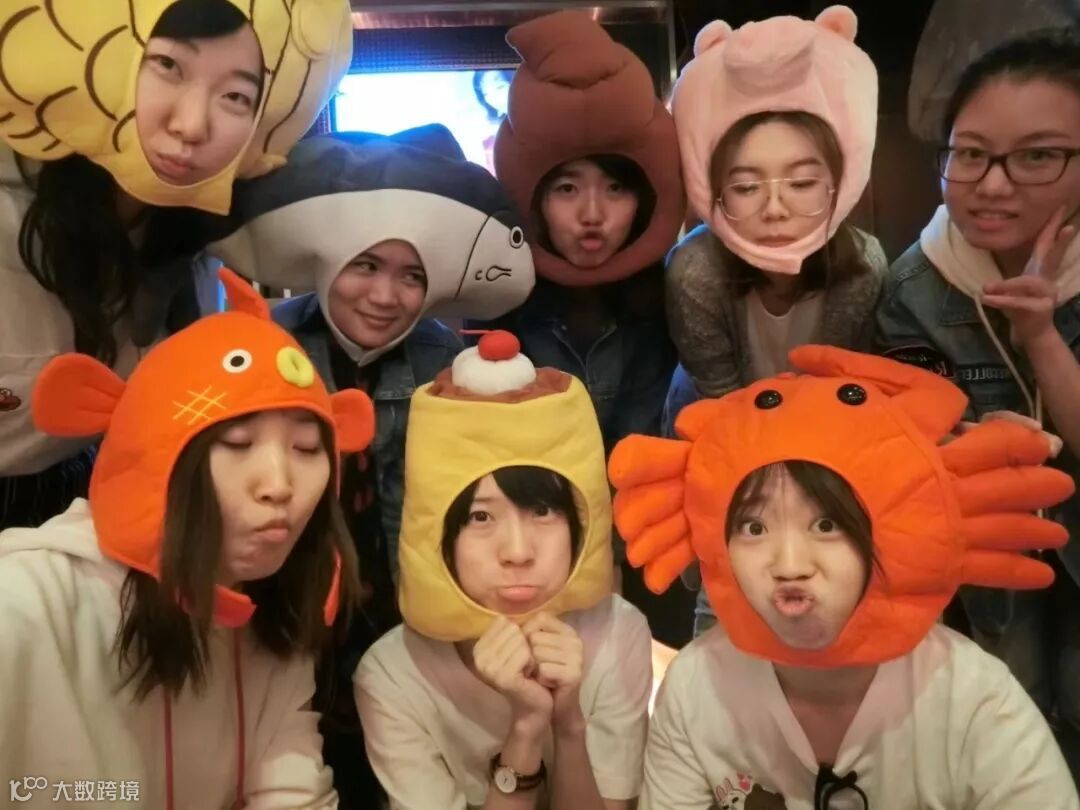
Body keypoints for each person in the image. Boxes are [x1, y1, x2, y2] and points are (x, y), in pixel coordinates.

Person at [205, 129, 535, 807]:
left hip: (403, 617)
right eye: (366, 264)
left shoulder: (446, 363)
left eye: (412, 275)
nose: (386, 295)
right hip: (281, 609)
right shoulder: (262, 340)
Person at [610, 345, 1077, 807]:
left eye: (827, 525)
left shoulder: (972, 698)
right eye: (754, 528)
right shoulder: (697, 689)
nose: (790, 565)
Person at [0, 268, 375, 808]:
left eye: (307, 449)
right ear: (158, 460)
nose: (278, 485)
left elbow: (293, 791)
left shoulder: (278, 608)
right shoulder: (30, 604)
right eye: (237, 443)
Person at [0, 0, 353, 530]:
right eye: (167, 65)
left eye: (236, 96)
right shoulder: (11, 217)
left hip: (91, 493)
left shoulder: (202, 245)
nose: (191, 126)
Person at [876, 27, 1080, 778]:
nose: (993, 185)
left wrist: (1042, 336)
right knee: (1008, 721)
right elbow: (911, 443)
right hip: (992, 562)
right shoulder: (914, 288)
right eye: (970, 154)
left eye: (1037, 156)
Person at [661, 6, 888, 635]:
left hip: (826, 432)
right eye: (745, 186)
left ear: (838, 181)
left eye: (803, 182)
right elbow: (720, 402)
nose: (776, 208)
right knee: (725, 595)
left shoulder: (863, 267)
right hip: (719, 424)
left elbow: (841, 395)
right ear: (714, 191)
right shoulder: (695, 271)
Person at [356, 331, 653, 809]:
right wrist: (526, 731)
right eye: (480, 517)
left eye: (543, 511)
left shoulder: (618, 634)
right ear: (437, 534)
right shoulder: (392, 675)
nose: (517, 552)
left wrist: (568, 726)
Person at [481, 9, 685, 458]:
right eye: (567, 189)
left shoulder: (670, 304)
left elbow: (644, 453)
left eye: (615, 188)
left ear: (644, 199)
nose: (592, 215)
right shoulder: (496, 303)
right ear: (535, 201)